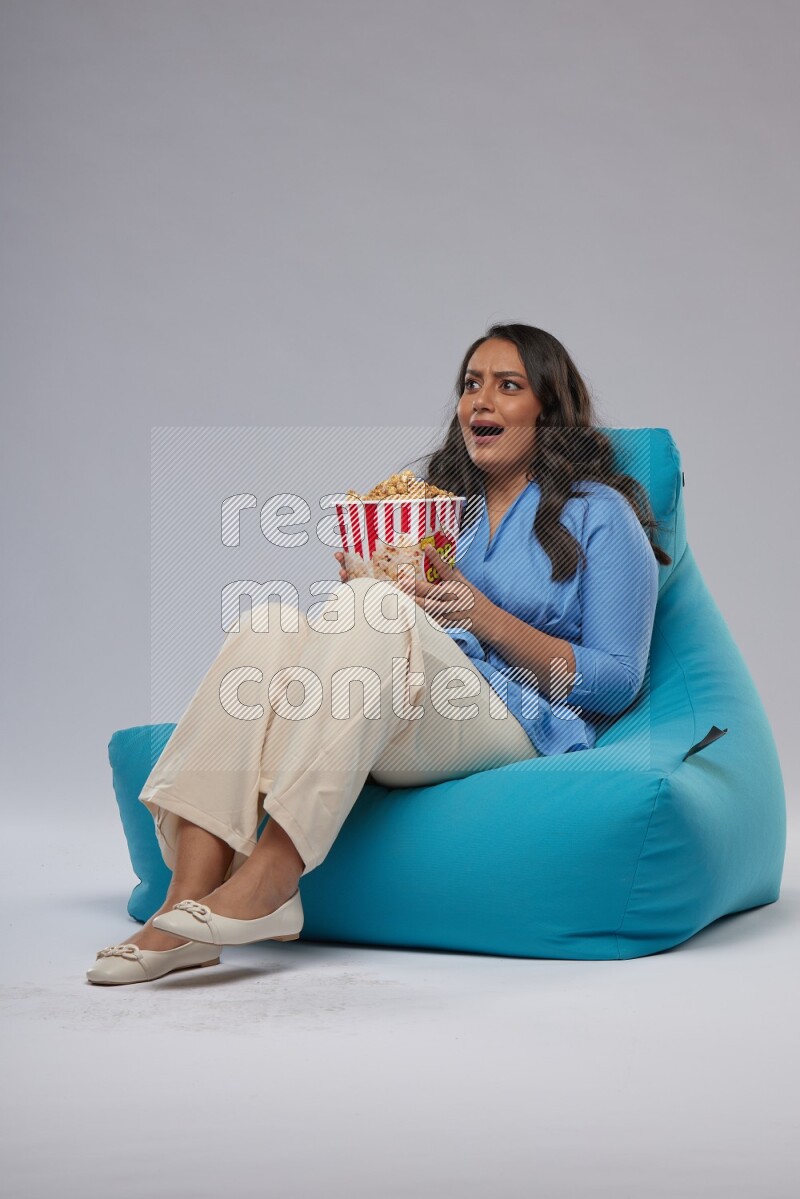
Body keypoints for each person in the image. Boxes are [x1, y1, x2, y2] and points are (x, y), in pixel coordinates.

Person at [86, 322, 670, 985]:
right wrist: (375, 601)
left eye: (508, 386)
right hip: (408, 709)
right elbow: (411, 632)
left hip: (520, 723)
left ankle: (275, 876)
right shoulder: (442, 511)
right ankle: (180, 907)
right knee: (269, 624)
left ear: (548, 408)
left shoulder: (603, 513)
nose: (481, 400)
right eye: (471, 384)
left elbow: (618, 681)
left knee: (373, 608)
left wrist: (479, 614)